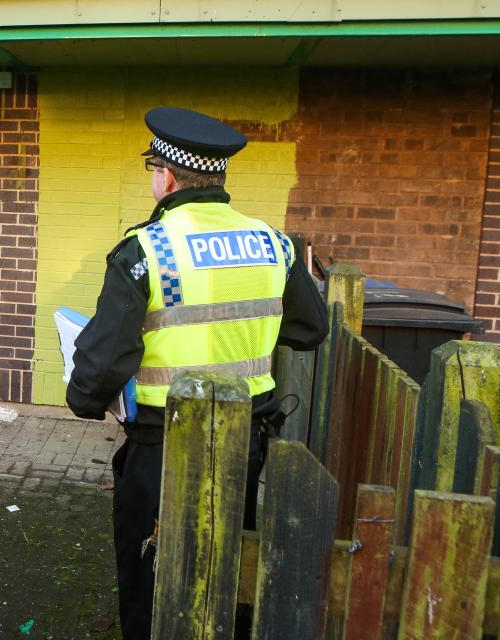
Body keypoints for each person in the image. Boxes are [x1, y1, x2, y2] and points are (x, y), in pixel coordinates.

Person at [66, 106, 328, 640]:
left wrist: (85, 400)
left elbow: (102, 362)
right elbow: (309, 329)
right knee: (228, 556)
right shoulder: (273, 243)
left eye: (153, 171)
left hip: (163, 443)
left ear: (165, 175)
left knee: (150, 567)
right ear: (219, 176)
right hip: (247, 438)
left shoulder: (148, 248)